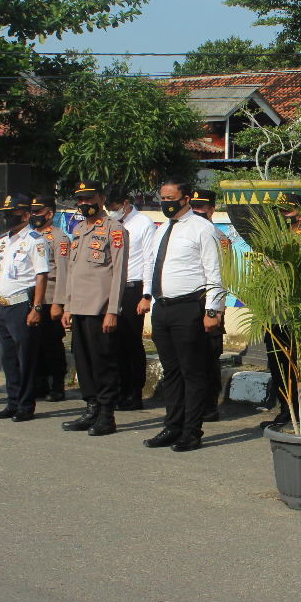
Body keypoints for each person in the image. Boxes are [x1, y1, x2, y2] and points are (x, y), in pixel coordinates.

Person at [137, 177, 224, 452]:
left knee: (193, 372)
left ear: (186, 198)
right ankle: (173, 426)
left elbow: (215, 272)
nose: (166, 203)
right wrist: (147, 295)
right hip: (163, 309)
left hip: (189, 308)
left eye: (171, 198)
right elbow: (151, 264)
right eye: (162, 198)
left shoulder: (202, 229)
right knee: (171, 372)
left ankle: (192, 431)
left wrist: (213, 310)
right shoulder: (161, 229)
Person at [59, 180, 128, 435]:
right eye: (80, 200)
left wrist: (112, 310)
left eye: (89, 199)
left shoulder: (114, 229)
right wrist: (66, 306)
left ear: (100, 197)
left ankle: (107, 414)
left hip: (100, 309)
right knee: (83, 361)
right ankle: (91, 408)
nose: (84, 204)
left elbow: (119, 271)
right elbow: (71, 270)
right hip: (77, 307)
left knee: (103, 362)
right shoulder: (77, 229)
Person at [0, 193, 49, 422]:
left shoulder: (35, 240)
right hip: (4, 305)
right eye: (5, 213)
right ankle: (12, 402)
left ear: (26, 215)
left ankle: (26, 405)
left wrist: (37, 308)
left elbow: (41, 276)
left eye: (12, 213)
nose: (7, 217)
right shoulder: (4, 240)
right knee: (8, 359)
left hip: (22, 305)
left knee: (25, 357)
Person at [106, 183, 156, 410]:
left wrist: (146, 295)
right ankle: (119, 389)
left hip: (132, 288)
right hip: (110, 288)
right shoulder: (110, 224)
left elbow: (149, 260)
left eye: (115, 207)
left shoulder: (143, 223)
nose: (111, 212)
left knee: (131, 342)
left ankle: (135, 392)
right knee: (114, 342)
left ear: (126, 203)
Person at [264, 193, 301, 428]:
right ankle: (286, 409)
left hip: (300, 316)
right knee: (278, 365)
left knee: (299, 365)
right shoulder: (275, 240)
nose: (282, 216)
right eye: (279, 212)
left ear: (300, 214)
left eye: (286, 211)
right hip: (275, 313)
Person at [188, 189, 231, 422]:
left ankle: (210, 405)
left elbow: (221, 277)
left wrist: (215, 311)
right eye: (193, 206)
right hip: (188, 306)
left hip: (210, 306)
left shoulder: (218, 236)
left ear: (212, 210)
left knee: (209, 358)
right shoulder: (185, 232)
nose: (196, 211)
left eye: (201, 207)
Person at [29, 195, 69, 402]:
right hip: (33, 298)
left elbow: (63, 272)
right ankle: (40, 382)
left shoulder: (59, 238)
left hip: (50, 297)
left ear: (49, 213)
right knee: (36, 344)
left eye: (38, 212)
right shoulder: (29, 236)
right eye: (33, 212)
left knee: (52, 343)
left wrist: (59, 303)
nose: (34, 215)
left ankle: (58, 385)